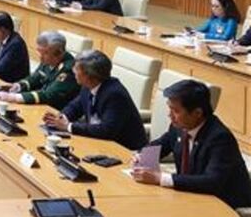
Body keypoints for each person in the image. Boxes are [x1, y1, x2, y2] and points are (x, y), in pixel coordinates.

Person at [131, 79, 251, 208]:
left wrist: (159, 178)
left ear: (197, 113)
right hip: (191, 194)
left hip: (224, 203)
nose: (170, 115)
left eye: (176, 111)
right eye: (170, 109)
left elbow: (212, 181)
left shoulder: (220, 138)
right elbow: (161, 144)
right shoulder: (179, 126)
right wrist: (141, 155)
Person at [42, 49, 146, 150]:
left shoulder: (115, 95)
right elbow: (75, 107)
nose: (73, 71)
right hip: (98, 142)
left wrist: (69, 126)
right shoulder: (88, 86)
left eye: (77, 69)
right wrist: (60, 118)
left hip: (124, 149)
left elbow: (106, 130)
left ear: (89, 76)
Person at [0, 31, 78, 110]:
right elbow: (36, 77)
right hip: (41, 105)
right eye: (39, 52)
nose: (40, 56)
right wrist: (18, 86)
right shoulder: (49, 59)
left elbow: (49, 95)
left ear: (59, 53)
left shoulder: (69, 69)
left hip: (55, 110)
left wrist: (13, 97)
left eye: (45, 53)